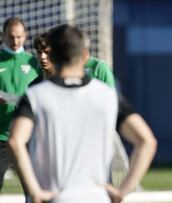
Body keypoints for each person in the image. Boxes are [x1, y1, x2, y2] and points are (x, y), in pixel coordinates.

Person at [8, 24, 157, 203]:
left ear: (52, 55)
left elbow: (15, 141)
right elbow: (146, 141)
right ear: (85, 55)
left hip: (55, 198)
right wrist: (122, 191)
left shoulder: (35, 95)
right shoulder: (108, 96)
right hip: (97, 198)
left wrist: (35, 191)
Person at [0, 17, 39, 191]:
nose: (15, 41)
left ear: (25, 36)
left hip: (28, 138)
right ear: (2, 36)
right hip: (1, 137)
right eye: (10, 36)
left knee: (33, 190)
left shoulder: (35, 62)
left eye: (19, 36)